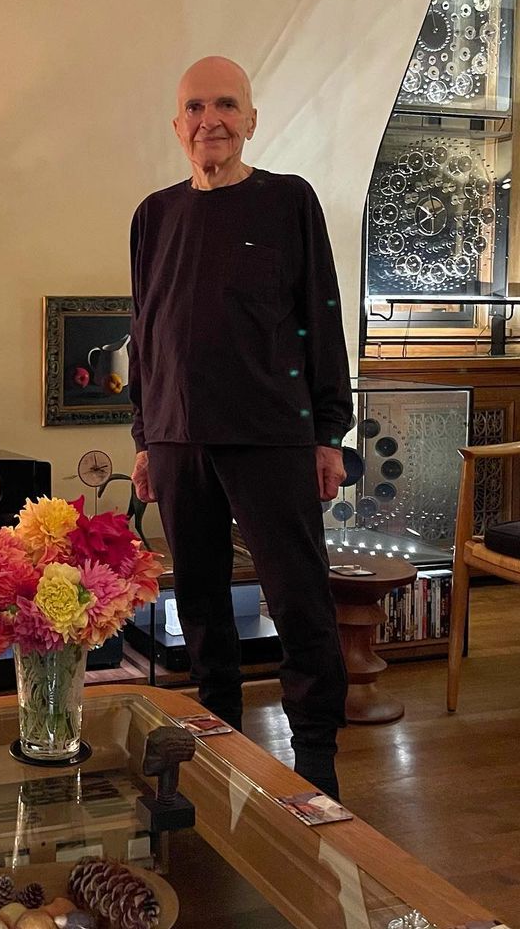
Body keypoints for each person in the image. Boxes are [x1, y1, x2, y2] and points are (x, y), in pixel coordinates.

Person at [128, 56, 352, 800]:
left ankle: (314, 755)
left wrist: (328, 432)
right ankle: (218, 733)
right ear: (177, 125)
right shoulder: (153, 216)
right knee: (198, 601)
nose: (210, 121)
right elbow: (145, 331)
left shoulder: (288, 200)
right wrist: (144, 438)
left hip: (270, 434)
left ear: (251, 120)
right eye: (195, 108)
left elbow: (320, 314)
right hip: (176, 437)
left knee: (297, 598)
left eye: (226, 105)